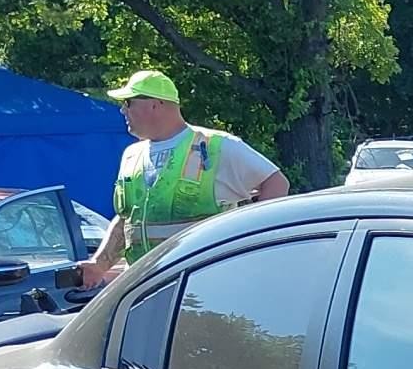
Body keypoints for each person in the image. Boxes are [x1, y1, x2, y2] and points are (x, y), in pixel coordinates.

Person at [77, 70, 288, 287]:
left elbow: (276, 183)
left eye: (128, 103)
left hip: (204, 284)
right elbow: (127, 220)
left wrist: (250, 246)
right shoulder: (132, 155)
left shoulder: (216, 145)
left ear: (155, 105)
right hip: (145, 286)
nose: (122, 110)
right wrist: (98, 265)